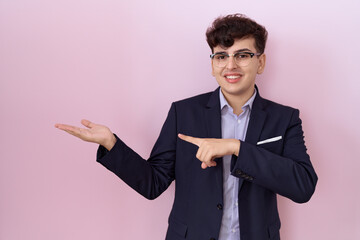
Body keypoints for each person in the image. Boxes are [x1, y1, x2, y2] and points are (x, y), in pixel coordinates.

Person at [55, 14, 318, 240]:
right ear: (212, 64)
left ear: (260, 62)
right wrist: (111, 143)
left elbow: (303, 186)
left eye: (243, 55)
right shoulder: (184, 113)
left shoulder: (285, 119)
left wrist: (236, 147)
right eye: (221, 56)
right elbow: (153, 183)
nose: (231, 65)